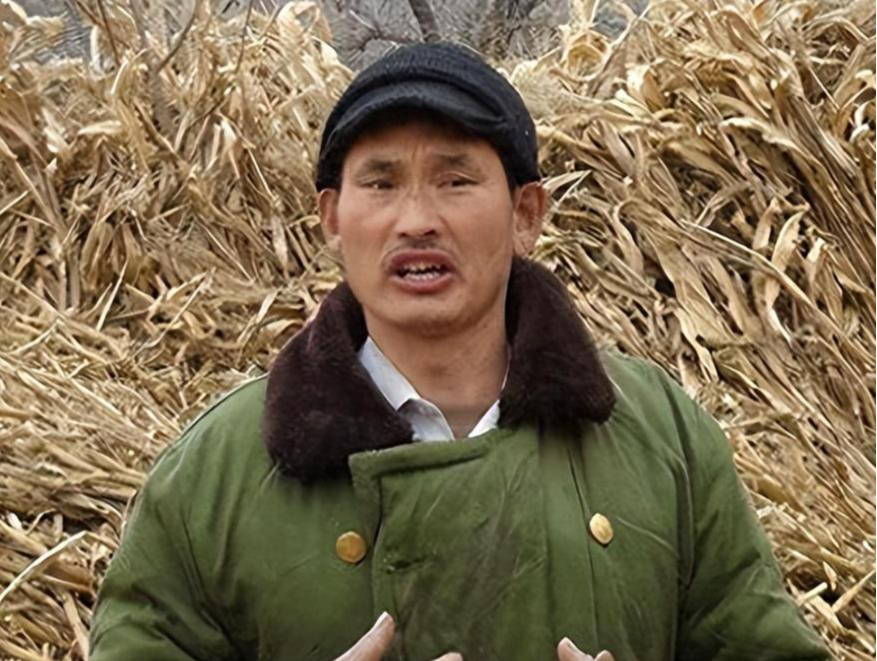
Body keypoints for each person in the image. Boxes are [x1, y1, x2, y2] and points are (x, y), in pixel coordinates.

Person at [89, 43, 832, 661]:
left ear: (525, 214)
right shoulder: (218, 470)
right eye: (381, 182)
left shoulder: (661, 437)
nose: (416, 219)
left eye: (455, 180)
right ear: (332, 219)